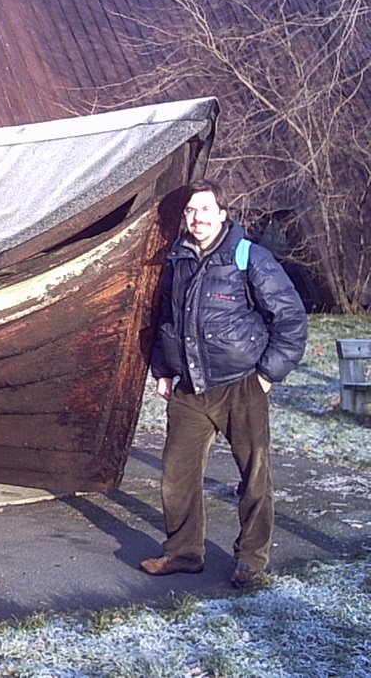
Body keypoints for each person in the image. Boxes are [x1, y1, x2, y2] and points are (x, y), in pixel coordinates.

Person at [141, 178, 307, 587]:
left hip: (240, 384)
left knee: (253, 475)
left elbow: (290, 319)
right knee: (176, 476)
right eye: (191, 211)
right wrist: (163, 370)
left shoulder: (250, 256)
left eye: (204, 210)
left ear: (222, 213)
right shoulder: (177, 259)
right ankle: (183, 553)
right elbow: (167, 318)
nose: (197, 218)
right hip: (190, 388)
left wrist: (267, 374)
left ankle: (251, 559)